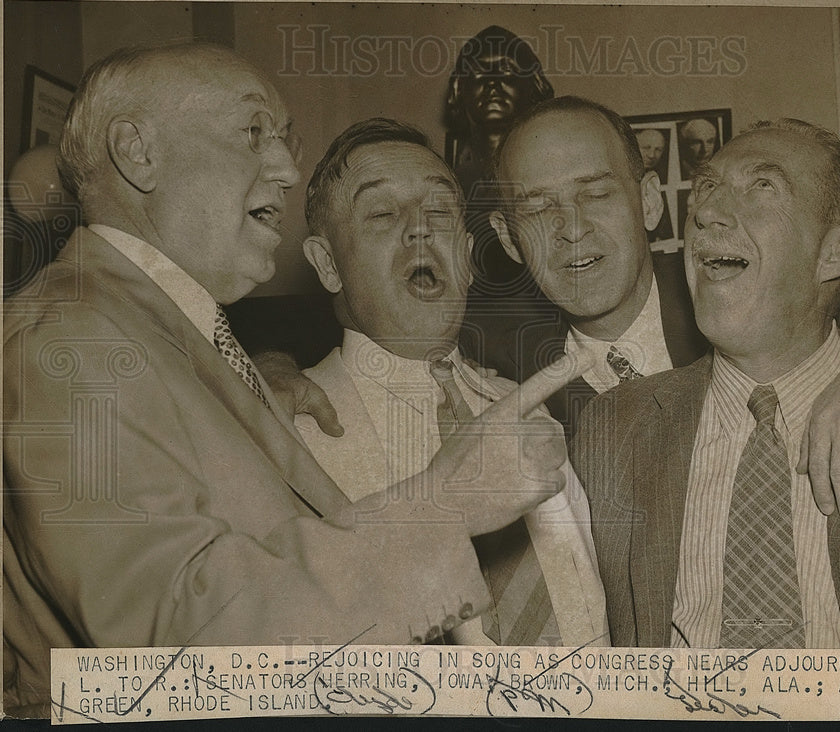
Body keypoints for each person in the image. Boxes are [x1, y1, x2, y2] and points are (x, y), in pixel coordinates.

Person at [1, 43, 579, 717]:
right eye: (254, 133)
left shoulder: (169, 335)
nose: (285, 167)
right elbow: (170, 649)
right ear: (138, 152)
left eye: (285, 139)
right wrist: (442, 505)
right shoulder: (70, 339)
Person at [570, 119, 840, 717]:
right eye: (705, 188)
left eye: (762, 188)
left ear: (835, 251)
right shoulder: (612, 430)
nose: (707, 214)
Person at [478, 96, 840, 524]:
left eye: (597, 193)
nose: (572, 228)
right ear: (508, 238)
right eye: (539, 208)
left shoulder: (743, 287)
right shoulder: (500, 370)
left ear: (650, 202)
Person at [295, 118, 607, 648]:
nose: (419, 228)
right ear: (328, 265)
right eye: (382, 212)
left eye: (438, 210)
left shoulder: (527, 408)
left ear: (465, 258)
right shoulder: (289, 432)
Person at [445, 25, 555, 302]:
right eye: (479, 72)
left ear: (533, 86)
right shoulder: (442, 190)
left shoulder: (559, 180)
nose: (492, 83)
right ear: (459, 89)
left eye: (506, 71)